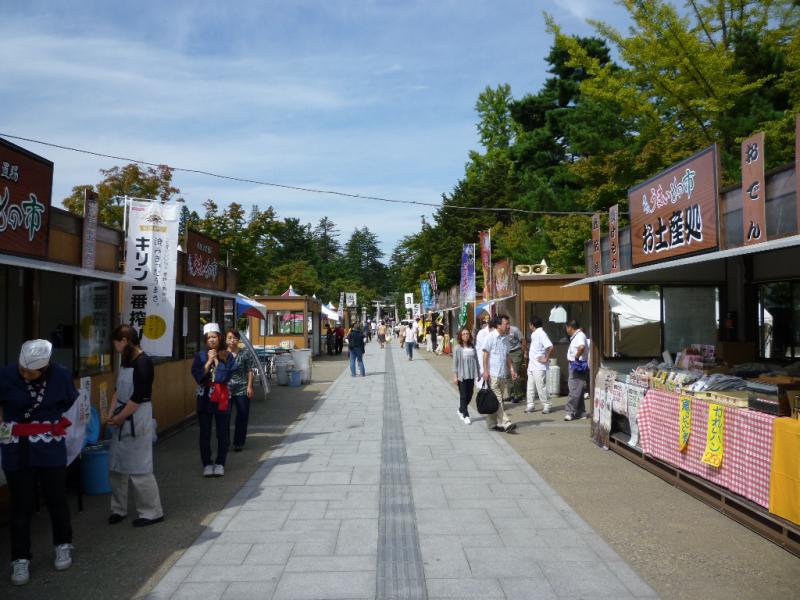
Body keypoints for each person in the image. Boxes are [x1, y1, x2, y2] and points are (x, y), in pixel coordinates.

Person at [0, 340, 78, 586]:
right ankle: (20, 558)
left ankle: (63, 544)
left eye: (31, 372)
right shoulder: (6, 375)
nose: (25, 374)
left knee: (56, 499)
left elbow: (69, 404)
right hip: (16, 446)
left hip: (49, 445)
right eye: (22, 369)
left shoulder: (61, 376)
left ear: (45, 368)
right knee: (20, 505)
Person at [106, 325, 164, 527]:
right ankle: (118, 508)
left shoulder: (144, 362)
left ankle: (152, 512)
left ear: (124, 341)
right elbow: (117, 390)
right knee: (116, 467)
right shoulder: (126, 360)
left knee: (140, 468)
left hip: (137, 417)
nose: (115, 347)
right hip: (122, 414)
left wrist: (120, 417)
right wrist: (111, 413)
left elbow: (138, 397)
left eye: (116, 343)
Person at [191, 323, 235, 477]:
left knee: (222, 433)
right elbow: (198, 376)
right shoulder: (200, 356)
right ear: (205, 339)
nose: (211, 340)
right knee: (205, 433)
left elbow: (225, 376)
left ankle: (220, 462)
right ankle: (207, 463)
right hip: (204, 397)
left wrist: (216, 361)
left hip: (222, 396)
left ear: (219, 338)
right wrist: (208, 361)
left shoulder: (228, 355)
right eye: (209, 337)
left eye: (214, 337)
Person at [481, 315, 518, 433]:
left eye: (508, 324)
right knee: (498, 401)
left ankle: (491, 424)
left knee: (495, 401)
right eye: (506, 324)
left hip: (502, 374)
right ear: (498, 325)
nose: (508, 326)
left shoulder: (506, 338)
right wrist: (485, 371)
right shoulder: (490, 337)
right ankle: (506, 422)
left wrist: (512, 369)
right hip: (493, 374)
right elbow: (485, 355)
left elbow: (507, 356)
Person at [225, 329, 255, 452]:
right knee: (224, 417)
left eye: (234, 338)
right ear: (226, 339)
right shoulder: (222, 354)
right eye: (229, 338)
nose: (232, 340)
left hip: (242, 388)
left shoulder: (245, 353)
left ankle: (239, 442)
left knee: (242, 415)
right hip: (225, 389)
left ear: (238, 340)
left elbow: (250, 370)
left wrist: (249, 387)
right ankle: (225, 443)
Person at [452, 328, 480, 425]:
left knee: (470, 394)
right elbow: (455, 363)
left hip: (471, 374)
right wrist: (455, 376)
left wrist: (478, 373)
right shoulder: (457, 348)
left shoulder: (472, 346)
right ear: (460, 336)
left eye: (467, 333)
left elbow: (476, 360)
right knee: (463, 395)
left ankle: (461, 409)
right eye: (463, 334)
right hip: (462, 375)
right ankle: (466, 415)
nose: (466, 335)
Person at [526, 317, 554, 414]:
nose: (529, 325)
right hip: (532, 364)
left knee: (540, 386)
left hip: (539, 365)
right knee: (530, 386)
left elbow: (550, 346)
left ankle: (547, 405)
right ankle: (530, 405)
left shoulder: (541, 333)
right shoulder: (534, 334)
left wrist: (546, 358)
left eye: (530, 324)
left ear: (532, 325)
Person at [565, 319, 590, 421]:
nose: (566, 330)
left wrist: (576, 358)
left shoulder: (579, 335)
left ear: (570, 327)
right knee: (578, 389)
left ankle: (570, 412)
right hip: (577, 364)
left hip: (577, 365)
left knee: (574, 389)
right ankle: (581, 412)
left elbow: (581, 347)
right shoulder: (579, 335)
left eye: (566, 327)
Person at [507, 322, 525, 403]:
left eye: (507, 323)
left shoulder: (515, 329)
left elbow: (523, 340)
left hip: (516, 351)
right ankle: (511, 394)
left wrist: (524, 352)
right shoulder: (502, 331)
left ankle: (518, 394)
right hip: (507, 353)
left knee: (515, 373)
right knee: (508, 374)